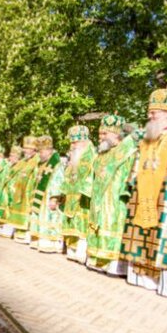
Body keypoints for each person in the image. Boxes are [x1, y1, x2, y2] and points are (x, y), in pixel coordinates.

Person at [121, 88, 167, 297]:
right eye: (150, 111)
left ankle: (166, 285)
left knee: (163, 237)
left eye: (155, 112)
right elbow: (137, 162)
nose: (150, 115)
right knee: (141, 236)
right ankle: (142, 278)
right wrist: (131, 185)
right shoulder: (148, 136)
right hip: (142, 194)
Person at [86, 115, 138, 275]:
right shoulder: (102, 153)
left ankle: (114, 265)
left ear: (117, 134)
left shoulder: (128, 151)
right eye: (100, 134)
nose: (100, 137)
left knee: (111, 224)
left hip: (116, 199)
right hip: (99, 198)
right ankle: (96, 259)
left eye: (104, 134)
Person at [60, 125, 97, 263]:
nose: (72, 145)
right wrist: (63, 192)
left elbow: (90, 177)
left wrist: (82, 191)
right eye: (71, 142)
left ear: (83, 141)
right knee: (72, 223)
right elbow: (68, 175)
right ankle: (72, 250)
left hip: (83, 199)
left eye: (74, 142)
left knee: (82, 226)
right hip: (71, 197)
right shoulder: (75, 155)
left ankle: (81, 253)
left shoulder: (91, 155)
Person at [28, 136, 65, 251]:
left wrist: (54, 198)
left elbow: (59, 181)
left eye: (41, 151)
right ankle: (39, 240)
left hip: (49, 197)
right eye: (38, 151)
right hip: (40, 198)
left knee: (49, 218)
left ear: (49, 150)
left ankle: (50, 243)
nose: (39, 154)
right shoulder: (41, 164)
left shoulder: (56, 164)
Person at [0, 136, 39, 239]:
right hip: (17, 191)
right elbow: (12, 172)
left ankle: (25, 234)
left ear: (34, 149)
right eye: (24, 148)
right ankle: (18, 232)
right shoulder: (24, 161)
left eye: (27, 149)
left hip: (28, 193)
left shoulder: (37, 160)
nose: (25, 151)